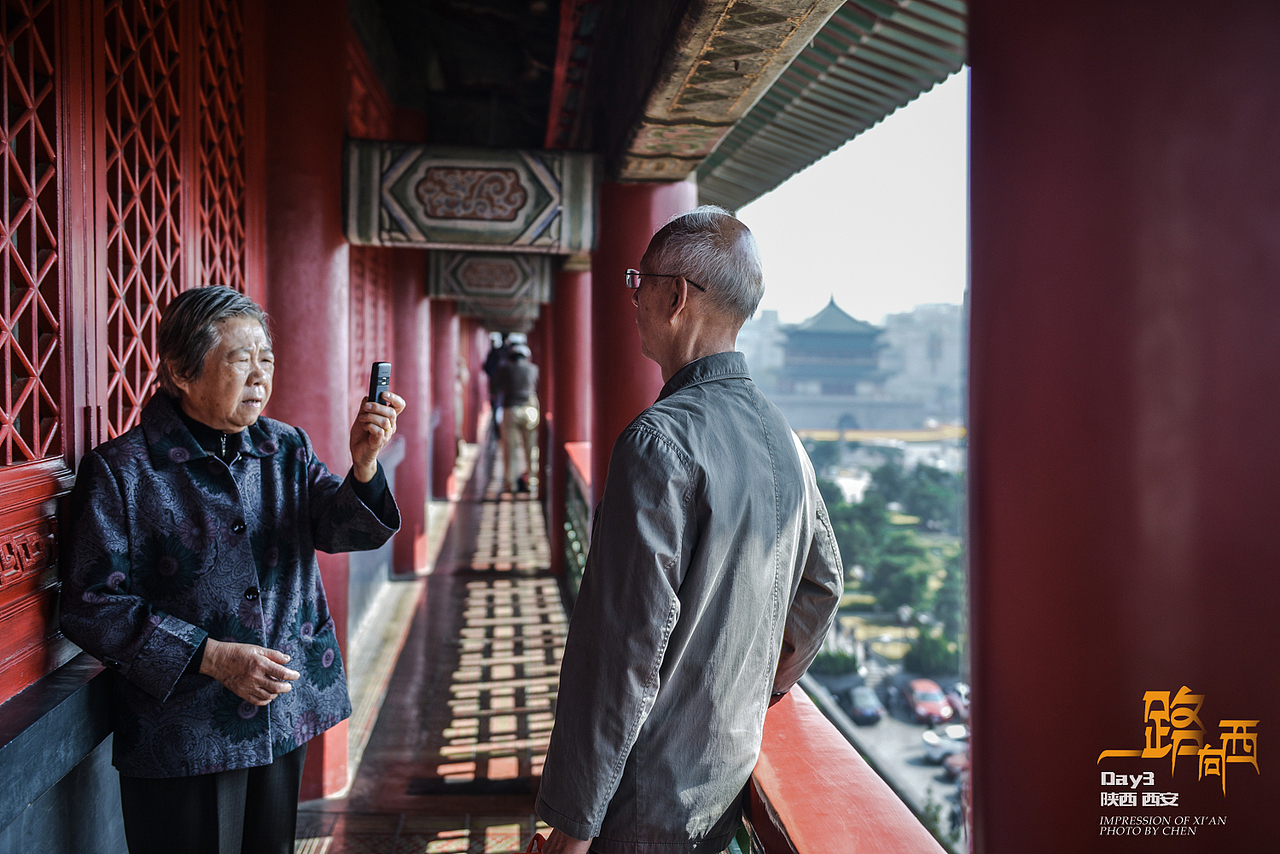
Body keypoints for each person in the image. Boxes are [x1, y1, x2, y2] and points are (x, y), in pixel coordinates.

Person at [535, 207, 843, 854]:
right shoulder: (783, 437)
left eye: (637, 279)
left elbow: (623, 650)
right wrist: (758, 685)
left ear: (674, 296)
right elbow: (821, 588)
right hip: (723, 775)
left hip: (642, 793)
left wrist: (573, 823)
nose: (633, 296)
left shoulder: (658, 441)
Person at [60, 286, 405, 854]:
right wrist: (211, 656)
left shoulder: (285, 448)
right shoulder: (122, 471)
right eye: (239, 359)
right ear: (180, 370)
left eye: (265, 358)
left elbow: (342, 530)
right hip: (181, 733)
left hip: (279, 713)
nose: (259, 376)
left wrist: (364, 464)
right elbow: (91, 604)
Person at [495, 342, 540, 494]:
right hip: (531, 410)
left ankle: (511, 484)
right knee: (531, 448)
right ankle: (532, 482)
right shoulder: (533, 368)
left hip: (511, 409)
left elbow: (494, 388)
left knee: (510, 448)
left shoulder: (505, 368)